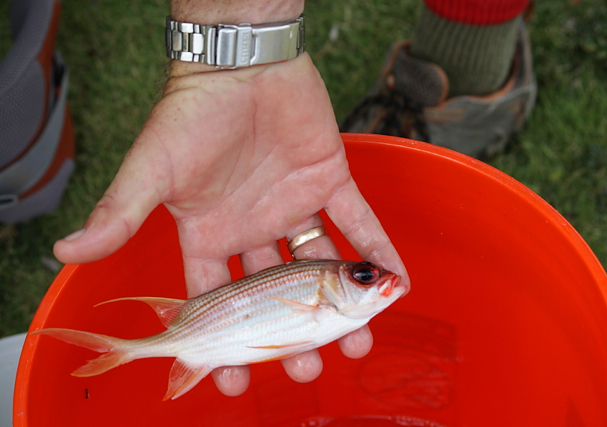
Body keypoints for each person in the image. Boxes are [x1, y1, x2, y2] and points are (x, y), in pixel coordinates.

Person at [3, 0, 535, 398]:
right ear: (330, 283)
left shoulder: (328, 299)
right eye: (364, 276)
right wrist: (233, 62)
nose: (375, 277)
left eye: (363, 274)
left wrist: (229, 60)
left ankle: (466, 68)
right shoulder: (328, 298)